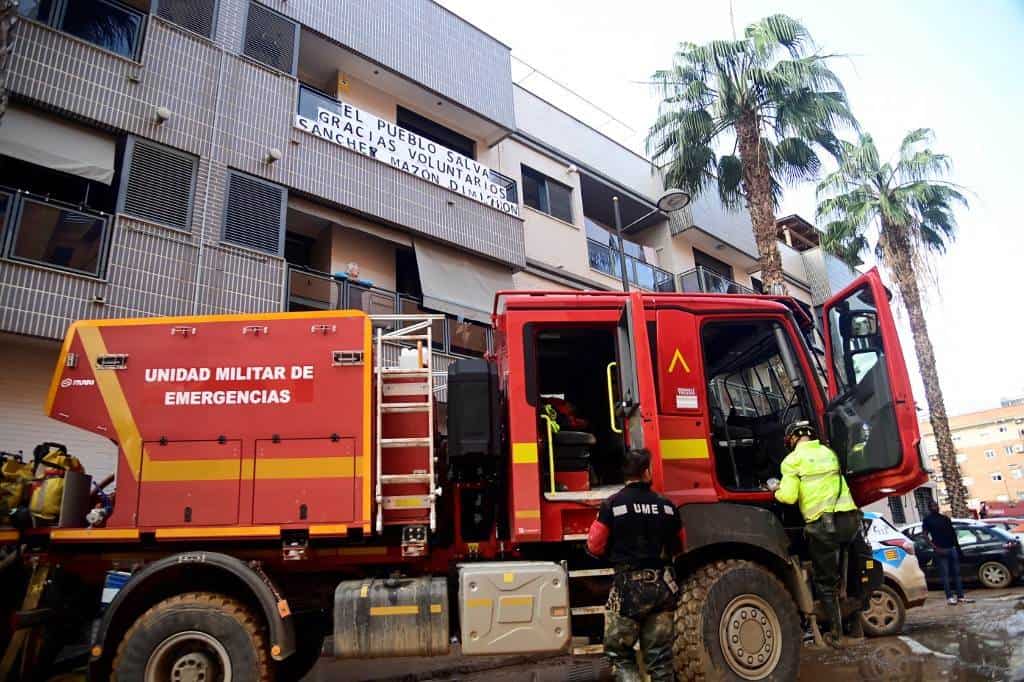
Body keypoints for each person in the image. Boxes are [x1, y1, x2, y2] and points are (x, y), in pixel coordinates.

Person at [587, 449, 684, 682]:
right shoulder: (667, 507)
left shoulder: (612, 505)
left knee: (619, 656)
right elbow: (680, 546)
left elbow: (595, 545)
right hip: (662, 590)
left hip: (627, 592)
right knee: (660, 661)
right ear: (647, 472)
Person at [770, 420, 863, 648]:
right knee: (844, 567)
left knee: (825, 582)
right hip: (850, 520)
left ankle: (836, 633)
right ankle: (855, 618)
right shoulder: (828, 453)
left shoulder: (792, 460)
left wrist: (775, 490)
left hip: (823, 526)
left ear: (792, 439)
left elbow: (790, 497)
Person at [922, 500, 974, 605]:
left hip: (951, 548)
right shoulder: (927, 520)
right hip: (940, 549)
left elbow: (953, 533)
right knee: (945, 575)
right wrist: (935, 547)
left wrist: (958, 548)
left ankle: (960, 596)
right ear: (929, 508)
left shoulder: (945, 518)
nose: (935, 507)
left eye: (936, 505)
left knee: (957, 574)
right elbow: (924, 535)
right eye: (932, 506)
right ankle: (949, 597)